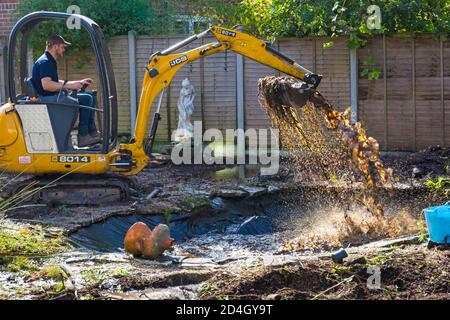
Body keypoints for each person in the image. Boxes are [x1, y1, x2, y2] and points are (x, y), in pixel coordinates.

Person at [31, 34, 101, 147]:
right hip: (48, 100)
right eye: (62, 46)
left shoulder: (48, 60)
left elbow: (54, 81)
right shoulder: (45, 62)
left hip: (52, 97)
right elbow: (47, 85)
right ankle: (83, 136)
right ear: (55, 46)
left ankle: (91, 132)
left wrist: (76, 83)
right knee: (86, 99)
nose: (63, 49)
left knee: (89, 96)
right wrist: (68, 86)